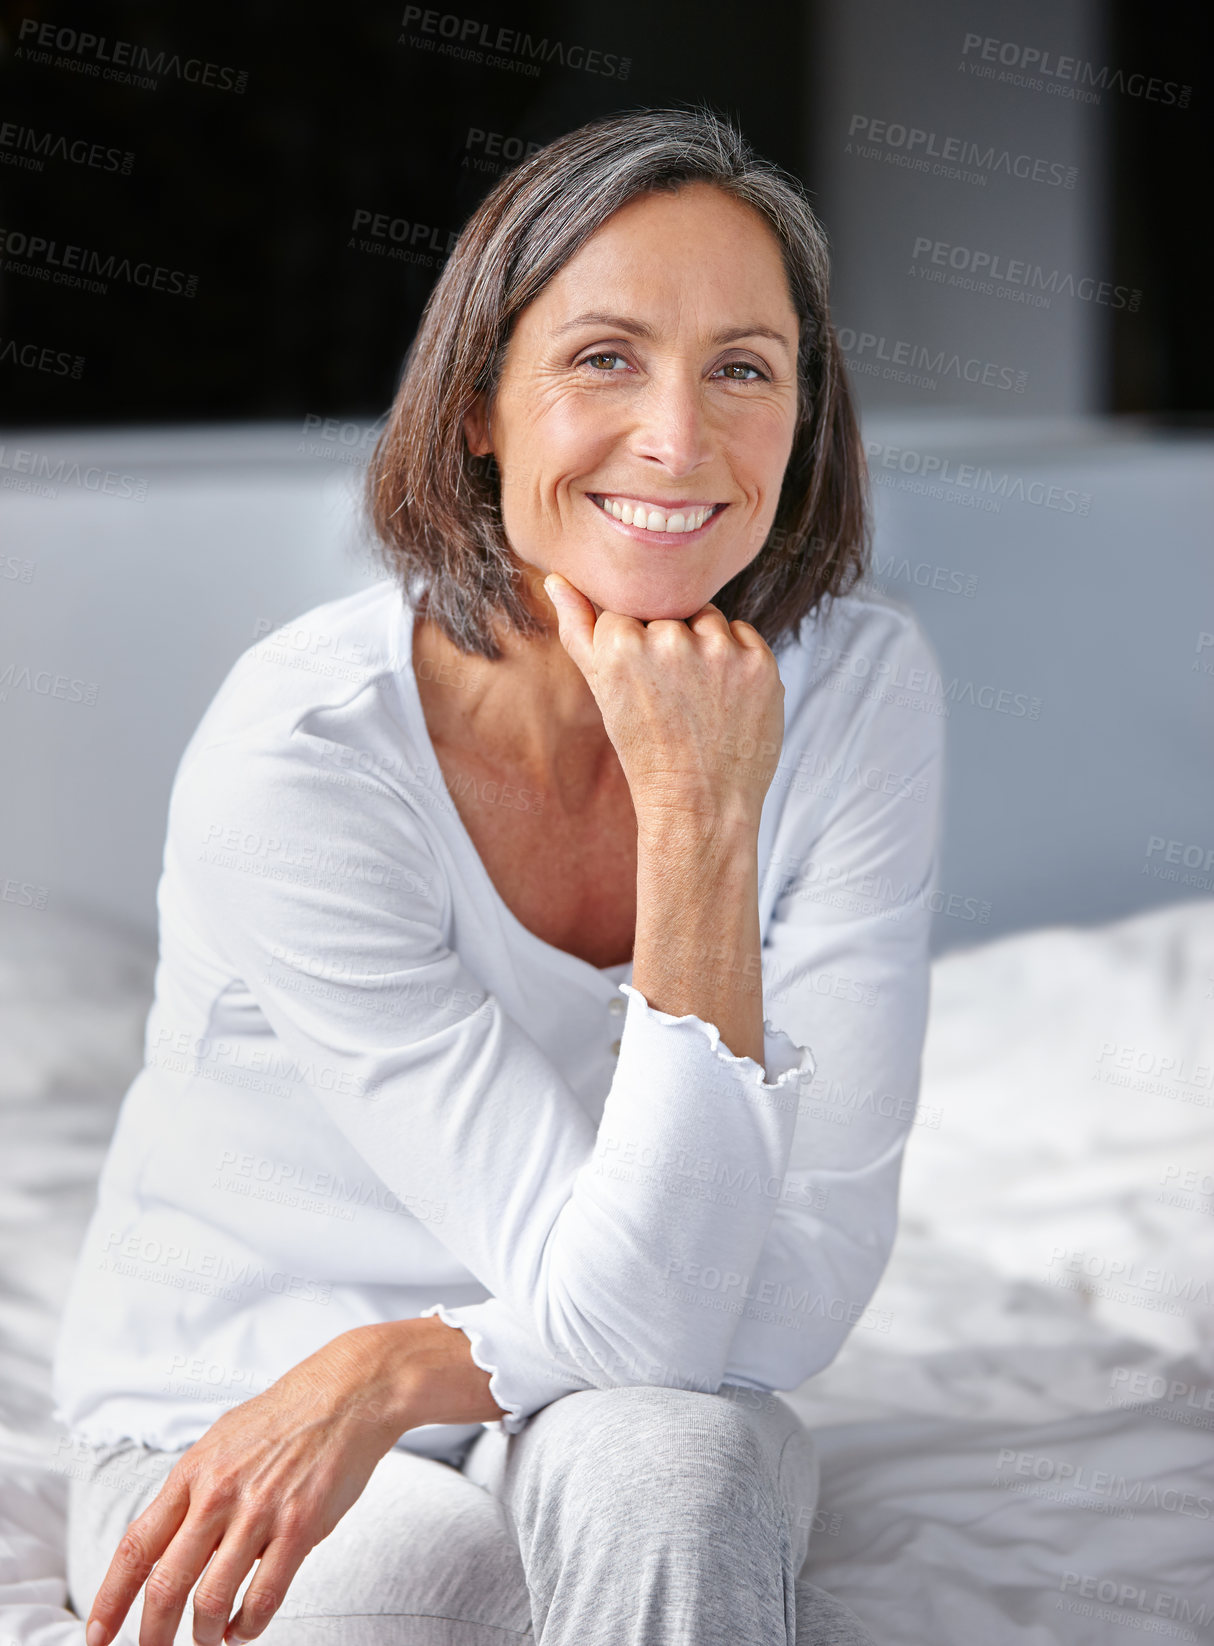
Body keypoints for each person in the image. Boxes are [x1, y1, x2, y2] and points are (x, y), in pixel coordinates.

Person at [53, 105, 943, 1645]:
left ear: (803, 417)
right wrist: (358, 1372)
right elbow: (663, 1308)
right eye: (604, 357)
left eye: (743, 366)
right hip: (245, 1393)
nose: (678, 437)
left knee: (677, 1469)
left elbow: (775, 1312)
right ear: (476, 407)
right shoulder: (307, 752)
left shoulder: (861, 691)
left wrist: (699, 821)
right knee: (433, 1587)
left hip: (603, 1378)